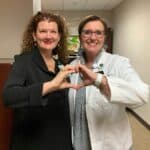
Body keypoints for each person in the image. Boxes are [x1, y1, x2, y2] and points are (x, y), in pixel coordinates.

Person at [68, 15, 149, 150]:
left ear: (104, 37)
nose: (93, 38)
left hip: (110, 145)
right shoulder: (73, 66)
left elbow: (142, 94)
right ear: (80, 37)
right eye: (87, 32)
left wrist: (100, 81)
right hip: (78, 142)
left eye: (98, 33)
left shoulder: (118, 63)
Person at [2, 11, 77, 150]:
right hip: (32, 140)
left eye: (53, 32)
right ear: (34, 35)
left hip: (60, 138)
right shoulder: (23, 61)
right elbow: (9, 96)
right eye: (43, 31)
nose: (48, 36)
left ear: (59, 36)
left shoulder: (60, 64)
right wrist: (51, 85)